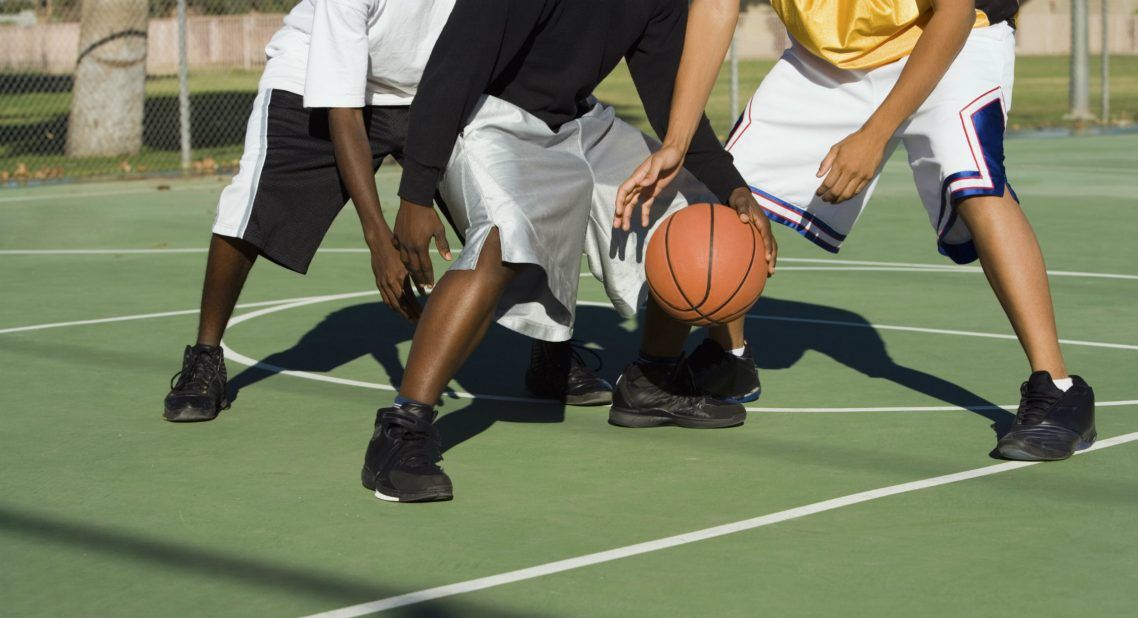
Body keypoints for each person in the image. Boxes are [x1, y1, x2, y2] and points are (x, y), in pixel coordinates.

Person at [617, 0, 1096, 462]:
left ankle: (1057, 389)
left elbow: (952, 11)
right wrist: (678, 143)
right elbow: (716, 7)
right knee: (724, 189)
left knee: (972, 181)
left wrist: (875, 131)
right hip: (830, 58)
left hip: (955, 37)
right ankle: (697, 363)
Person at [361, 0, 778, 503]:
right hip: (492, 118)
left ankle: (652, 381)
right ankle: (404, 427)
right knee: (503, 238)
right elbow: (453, 66)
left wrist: (734, 190)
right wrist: (416, 192)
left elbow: (673, 101)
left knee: (694, 206)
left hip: (580, 123)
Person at [162, 0, 609, 423]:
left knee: (529, 192)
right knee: (252, 206)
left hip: (441, 87)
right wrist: (378, 238)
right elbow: (344, 110)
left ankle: (551, 349)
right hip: (316, 80)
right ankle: (205, 355)